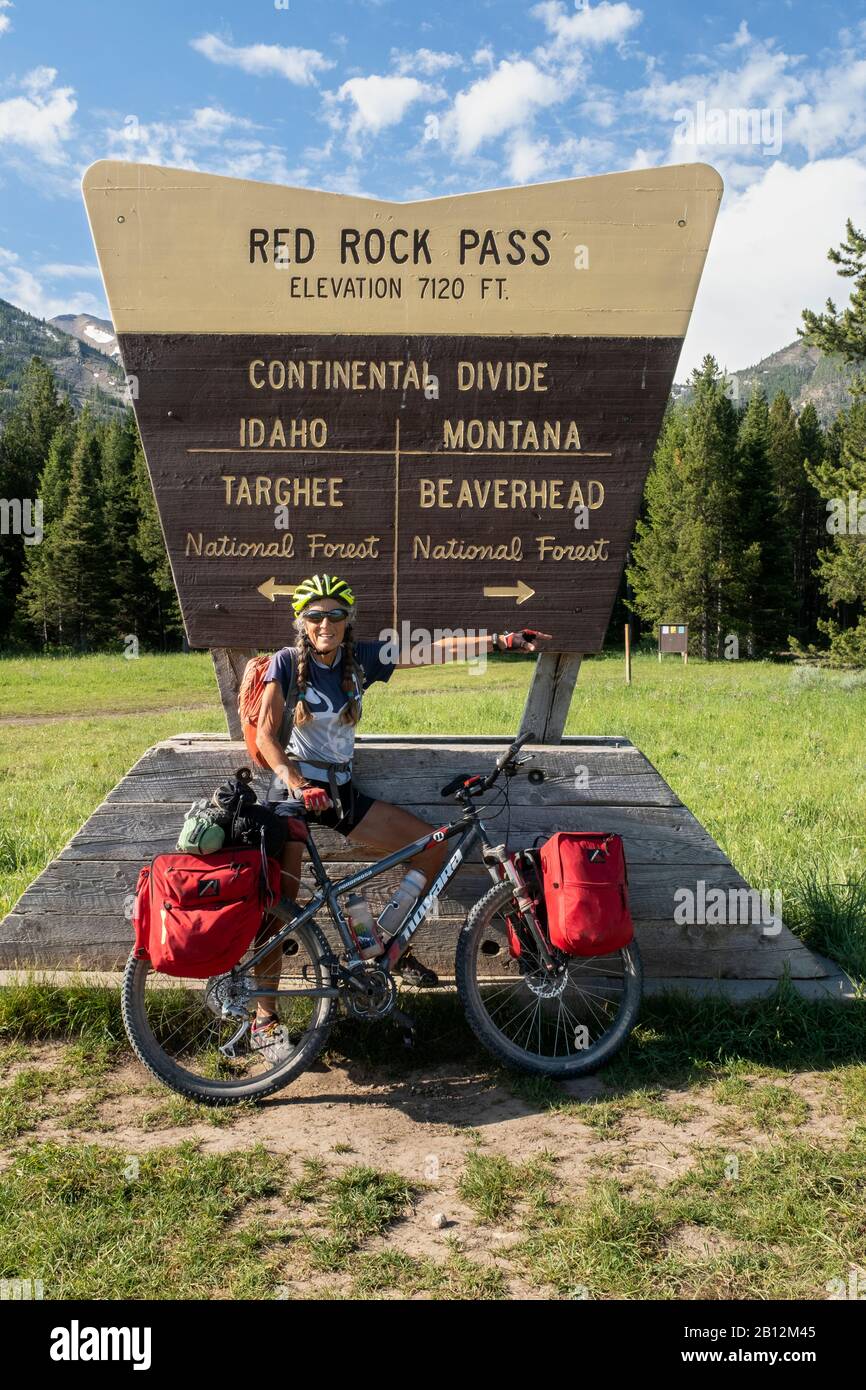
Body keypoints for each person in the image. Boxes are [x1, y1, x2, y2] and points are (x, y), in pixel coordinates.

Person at [251, 572, 551, 1058]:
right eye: (315, 616)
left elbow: (432, 648)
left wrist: (500, 641)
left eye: (335, 615)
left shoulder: (361, 658)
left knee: (433, 848)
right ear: (301, 622)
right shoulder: (286, 663)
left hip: (342, 791)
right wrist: (296, 782)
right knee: (279, 911)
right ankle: (265, 1020)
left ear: (348, 621)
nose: (325, 623)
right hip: (295, 795)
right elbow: (266, 736)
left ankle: (381, 943)